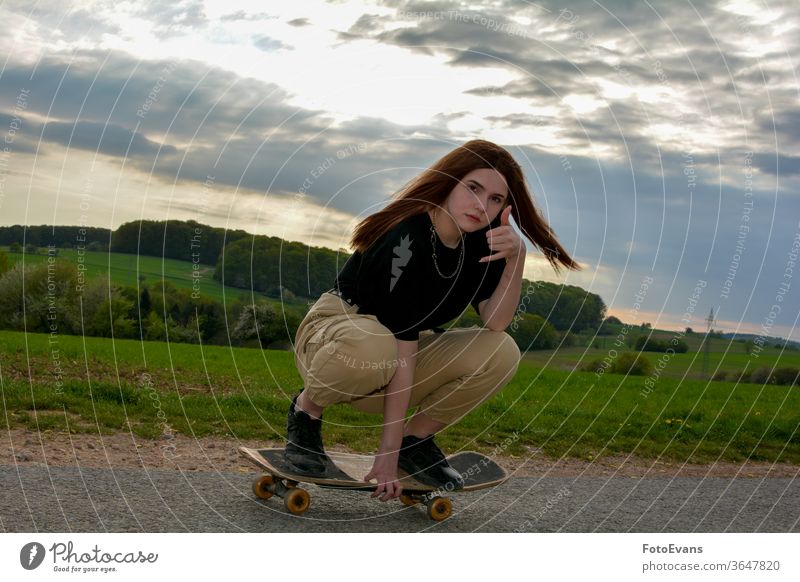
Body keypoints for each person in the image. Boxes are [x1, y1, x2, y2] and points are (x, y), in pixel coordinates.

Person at [286, 139, 580, 502]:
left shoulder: (481, 245)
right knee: (375, 342)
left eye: (495, 199)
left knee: (500, 351)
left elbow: (497, 321)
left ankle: (417, 441)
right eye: (473, 188)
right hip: (336, 336)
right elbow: (401, 347)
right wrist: (384, 458)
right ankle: (306, 411)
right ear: (449, 180)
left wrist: (516, 259)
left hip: (392, 356)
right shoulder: (405, 234)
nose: (480, 205)